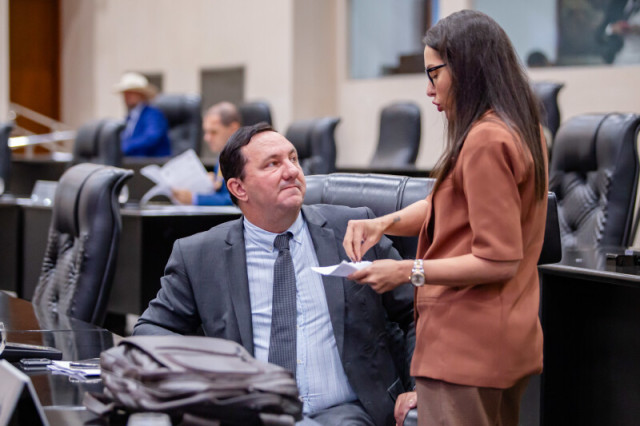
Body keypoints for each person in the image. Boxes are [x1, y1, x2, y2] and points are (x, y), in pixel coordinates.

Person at [342, 10, 548, 426]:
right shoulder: (518, 129)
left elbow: (497, 260)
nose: (428, 88)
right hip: (501, 339)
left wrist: (406, 271)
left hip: (467, 347)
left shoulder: (485, 140)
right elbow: (450, 205)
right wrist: (383, 223)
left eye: (434, 73)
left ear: (467, 69)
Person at [134, 123, 416, 426]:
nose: (292, 171)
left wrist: (419, 386)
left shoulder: (353, 229)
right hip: (249, 416)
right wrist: (209, 374)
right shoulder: (199, 255)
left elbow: (417, 310)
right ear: (239, 188)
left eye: (293, 159)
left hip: (347, 413)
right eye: (272, 164)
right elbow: (151, 330)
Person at [171, 102, 239, 206]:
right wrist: (210, 184)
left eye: (213, 132)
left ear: (233, 129)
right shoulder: (222, 155)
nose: (207, 138)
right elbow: (222, 191)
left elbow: (236, 199)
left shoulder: (241, 158)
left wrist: (195, 199)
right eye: (206, 132)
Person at [113, 72, 171, 157]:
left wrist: (124, 147)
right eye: (125, 93)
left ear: (141, 95)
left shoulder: (153, 114)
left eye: (130, 93)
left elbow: (151, 137)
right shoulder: (130, 117)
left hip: (150, 161)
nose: (126, 96)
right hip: (131, 161)